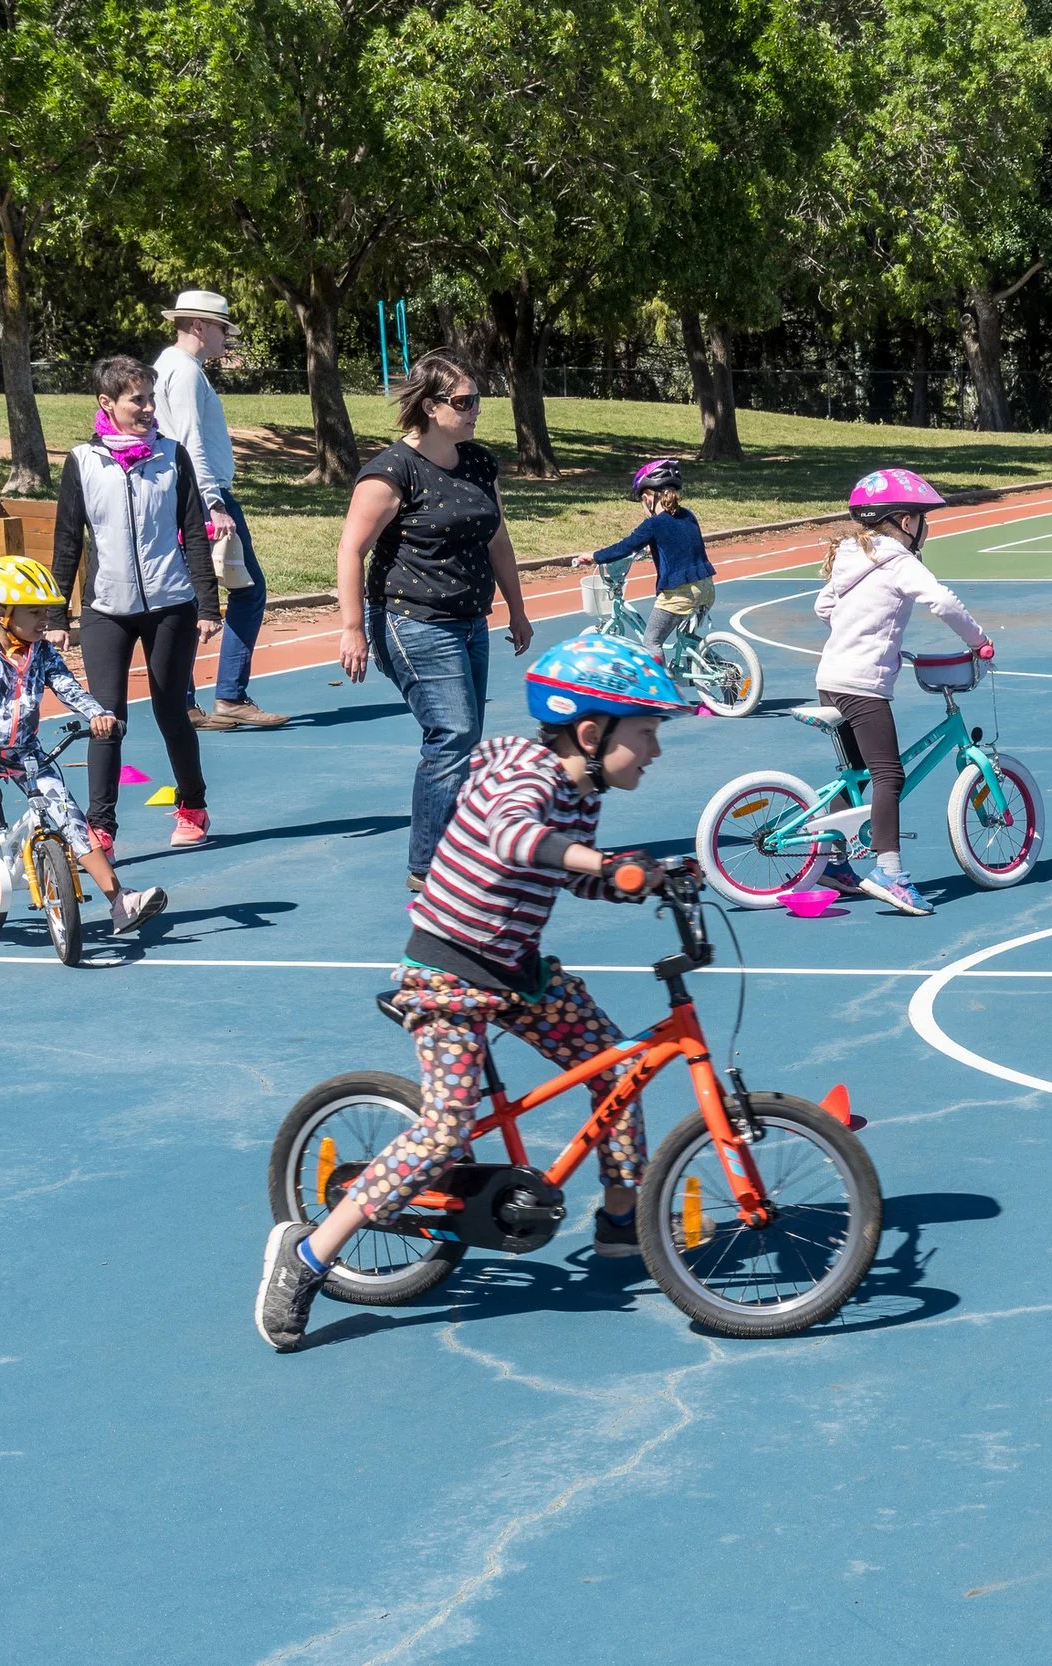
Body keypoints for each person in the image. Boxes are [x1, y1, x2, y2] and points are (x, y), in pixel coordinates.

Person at [253, 634, 696, 1353]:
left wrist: (646, 875)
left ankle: (623, 1220)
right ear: (591, 732)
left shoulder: (584, 791)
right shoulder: (523, 774)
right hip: (449, 975)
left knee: (617, 1066)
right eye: (645, 733)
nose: (655, 749)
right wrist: (599, 863)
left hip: (516, 971)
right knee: (446, 1130)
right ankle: (306, 1257)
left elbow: (569, 870)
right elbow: (516, 837)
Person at [337, 350, 535, 892]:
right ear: (430, 406)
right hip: (412, 619)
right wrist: (353, 628)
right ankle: (428, 867)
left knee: (463, 739)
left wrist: (516, 608)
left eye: (477, 401)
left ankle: (452, 846)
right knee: (452, 733)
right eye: (463, 402)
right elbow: (351, 549)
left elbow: (497, 537)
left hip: (470, 619)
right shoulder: (391, 470)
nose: (474, 411)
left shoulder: (478, 462)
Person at [47, 355, 221, 853]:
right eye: (136, 399)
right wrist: (58, 614)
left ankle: (192, 805)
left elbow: (192, 532)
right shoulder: (83, 461)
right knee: (105, 716)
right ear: (107, 403)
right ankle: (101, 828)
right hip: (106, 610)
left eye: (150, 398)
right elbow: (67, 543)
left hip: (171, 606)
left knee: (171, 710)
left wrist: (208, 605)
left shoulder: (172, 455)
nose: (147, 408)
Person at [811, 468, 992, 917]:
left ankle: (835, 865)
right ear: (907, 521)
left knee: (851, 774)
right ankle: (889, 872)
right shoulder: (899, 562)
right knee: (889, 776)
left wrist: (860, 630)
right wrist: (979, 641)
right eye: (923, 519)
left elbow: (823, 606)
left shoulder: (853, 552)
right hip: (863, 685)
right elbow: (944, 602)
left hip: (830, 678)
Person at [0, 557, 168, 935]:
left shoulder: (42, 653)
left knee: (70, 818)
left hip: (25, 753)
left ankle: (120, 901)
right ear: (0, 613)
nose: (45, 619)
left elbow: (68, 686)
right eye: (34, 611)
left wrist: (98, 714)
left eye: (48, 611)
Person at [152, 289, 287, 731]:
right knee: (248, 590)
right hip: (202, 494)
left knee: (189, 594)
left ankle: (189, 702)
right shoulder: (185, 371)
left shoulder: (168, 366)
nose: (226, 337)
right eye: (222, 328)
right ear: (199, 327)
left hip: (180, 492)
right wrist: (212, 500)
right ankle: (229, 695)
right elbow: (191, 440)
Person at [570, 458, 714, 657]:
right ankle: (718, 668)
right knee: (686, 641)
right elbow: (679, 541)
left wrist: (594, 556)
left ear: (648, 498)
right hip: (706, 587)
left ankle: (661, 687)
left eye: (641, 502)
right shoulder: (687, 515)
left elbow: (625, 546)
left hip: (679, 594)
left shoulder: (653, 524)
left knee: (651, 641)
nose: (642, 507)